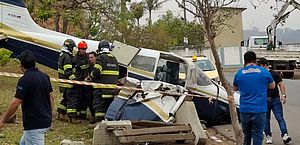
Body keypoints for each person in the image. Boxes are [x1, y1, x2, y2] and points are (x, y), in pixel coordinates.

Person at [0, 51, 54, 145]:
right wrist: (49, 115)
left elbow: (16, 103)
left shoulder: (25, 80)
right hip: (45, 121)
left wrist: (3, 120)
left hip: (35, 125)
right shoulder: (45, 76)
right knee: (23, 143)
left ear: (21, 65)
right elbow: (51, 98)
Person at [233, 51, 275, 145]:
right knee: (258, 135)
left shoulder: (239, 74)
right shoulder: (264, 72)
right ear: (255, 60)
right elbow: (272, 86)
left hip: (245, 109)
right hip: (259, 109)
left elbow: (234, 88)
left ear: (245, 61)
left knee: (247, 135)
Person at [257, 57, 292, 144]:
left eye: (260, 66)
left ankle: (285, 135)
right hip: (264, 100)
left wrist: (283, 95)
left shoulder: (274, 74)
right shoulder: (259, 75)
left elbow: (281, 84)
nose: (259, 68)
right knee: (266, 120)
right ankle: (268, 136)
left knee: (280, 118)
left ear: (264, 65)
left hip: (275, 99)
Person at [91, 40, 119, 122]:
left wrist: (91, 76)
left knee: (99, 107)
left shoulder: (101, 57)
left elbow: (96, 71)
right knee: (107, 106)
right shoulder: (114, 58)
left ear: (100, 48)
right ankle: (106, 122)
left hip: (101, 88)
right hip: (111, 88)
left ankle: (98, 123)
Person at [57, 39, 80, 123]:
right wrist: (74, 80)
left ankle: (60, 113)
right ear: (69, 47)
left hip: (63, 82)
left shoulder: (62, 55)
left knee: (66, 98)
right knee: (72, 99)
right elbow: (68, 71)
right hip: (68, 82)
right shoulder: (67, 57)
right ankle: (72, 117)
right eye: (73, 47)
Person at [73, 41, 89, 120]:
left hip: (85, 81)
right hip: (78, 80)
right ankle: (77, 113)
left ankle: (83, 114)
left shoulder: (87, 57)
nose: (83, 51)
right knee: (78, 97)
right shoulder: (75, 58)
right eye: (82, 49)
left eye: (84, 49)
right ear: (79, 49)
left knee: (85, 97)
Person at [85, 51, 97, 122]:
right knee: (90, 102)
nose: (90, 59)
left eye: (92, 57)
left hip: (96, 87)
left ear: (96, 57)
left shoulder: (98, 66)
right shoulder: (90, 66)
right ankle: (93, 116)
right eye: (89, 58)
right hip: (90, 87)